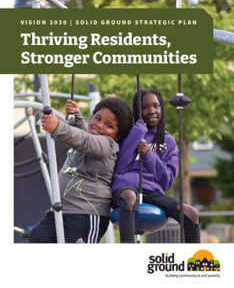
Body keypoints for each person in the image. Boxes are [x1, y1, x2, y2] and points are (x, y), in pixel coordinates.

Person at [29, 97, 133, 243]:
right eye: (97, 118)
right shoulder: (93, 137)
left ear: (118, 136)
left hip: (86, 215)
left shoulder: (108, 145)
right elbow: (85, 134)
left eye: (109, 125)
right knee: (37, 237)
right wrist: (77, 116)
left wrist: (58, 127)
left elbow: (85, 141)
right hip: (62, 211)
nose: (100, 125)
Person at [112, 88, 200, 243]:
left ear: (161, 109)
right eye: (145, 107)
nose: (151, 111)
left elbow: (166, 182)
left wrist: (148, 154)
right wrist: (137, 132)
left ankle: (192, 263)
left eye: (156, 106)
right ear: (138, 110)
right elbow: (119, 168)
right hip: (125, 188)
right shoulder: (127, 134)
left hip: (153, 192)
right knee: (130, 197)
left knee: (191, 214)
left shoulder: (168, 142)